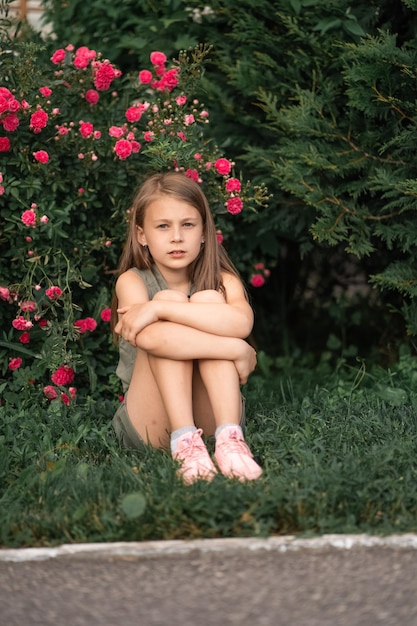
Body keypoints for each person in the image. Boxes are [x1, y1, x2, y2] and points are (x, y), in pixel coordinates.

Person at [111, 171, 262, 484]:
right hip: (150, 423)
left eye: (188, 225)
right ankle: (184, 442)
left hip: (216, 417)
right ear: (142, 235)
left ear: (204, 232)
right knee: (169, 305)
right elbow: (152, 337)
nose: (176, 237)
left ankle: (229, 440)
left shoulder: (222, 281)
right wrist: (237, 349)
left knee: (207, 298)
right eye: (163, 226)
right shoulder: (133, 281)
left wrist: (157, 308)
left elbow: (242, 322)